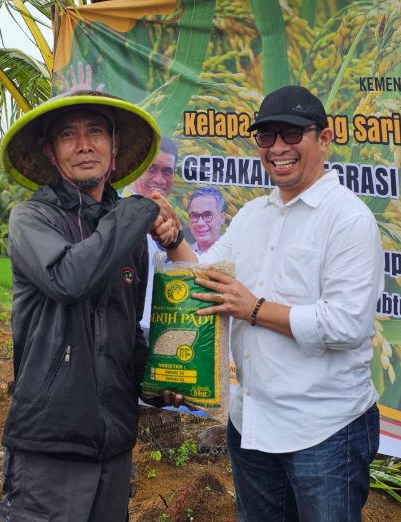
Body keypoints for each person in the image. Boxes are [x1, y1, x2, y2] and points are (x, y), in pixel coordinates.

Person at [152, 85, 383, 521]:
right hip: (252, 425)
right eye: (266, 136)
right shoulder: (254, 215)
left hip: (325, 431)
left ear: (324, 139)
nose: (278, 148)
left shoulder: (348, 219)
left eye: (292, 134)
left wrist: (255, 308)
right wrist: (173, 237)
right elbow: (207, 277)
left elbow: (347, 324)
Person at [0, 89, 182, 521]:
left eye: (96, 131)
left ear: (114, 148)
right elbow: (68, 278)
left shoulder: (126, 233)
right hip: (50, 446)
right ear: (51, 151)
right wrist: (138, 212)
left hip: (112, 445)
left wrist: (154, 380)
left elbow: (125, 327)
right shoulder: (33, 219)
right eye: (68, 134)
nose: (84, 144)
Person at [123, 136, 179, 336]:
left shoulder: (174, 223)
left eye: (167, 171)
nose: (160, 179)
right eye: (152, 168)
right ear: (135, 168)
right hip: (127, 332)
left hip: (165, 332)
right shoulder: (115, 214)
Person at [187, 186, 226, 253]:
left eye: (207, 215)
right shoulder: (183, 256)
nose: (200, 223)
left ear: (222, 218)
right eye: (195, 216)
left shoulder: (234, 255)